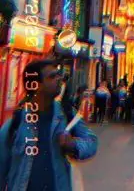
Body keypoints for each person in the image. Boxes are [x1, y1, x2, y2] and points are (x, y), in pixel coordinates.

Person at [0, 59, 97, 191]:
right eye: (52, 76)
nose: (59, 79)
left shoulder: (66, 114)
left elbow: (91, 142)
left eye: (58, 74)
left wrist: (72, 145)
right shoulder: (16, 123)